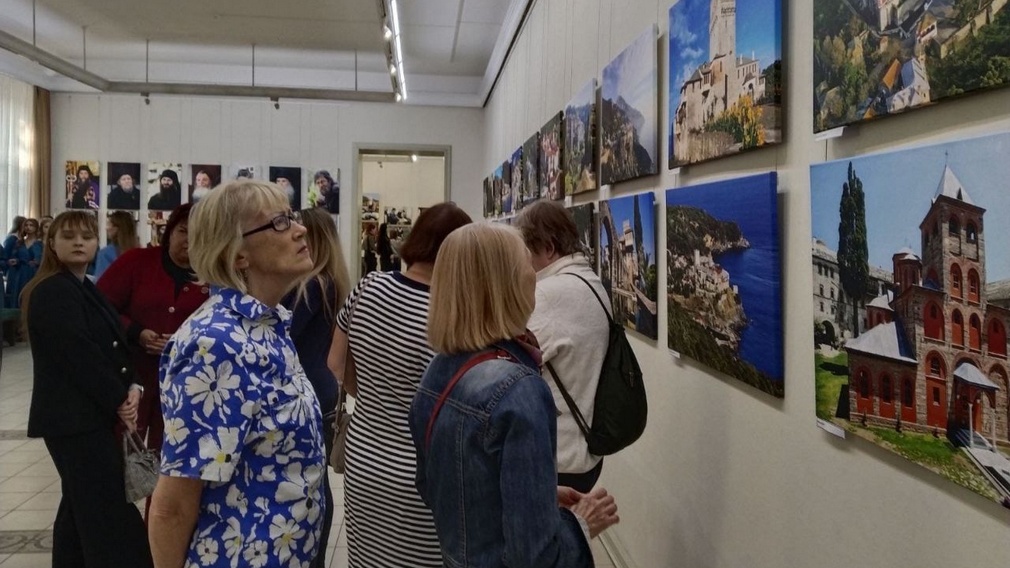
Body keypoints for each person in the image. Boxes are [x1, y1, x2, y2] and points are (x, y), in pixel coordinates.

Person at [409, 223, 620, 567]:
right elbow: (536, 559)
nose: (535, 276)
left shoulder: (440, 368)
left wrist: (535, 496)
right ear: (506, 286)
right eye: (526, 266)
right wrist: (581, 523)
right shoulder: (519, 389)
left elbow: (438, 486)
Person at [149, 180, 325, 567]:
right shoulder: (216, 345)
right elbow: (173, 505)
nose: (300, 229)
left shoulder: (265, 326)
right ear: (238, 254)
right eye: (279, 222)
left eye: (292, 217)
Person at [327, 202, 472, 568]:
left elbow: (336, 362)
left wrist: (376, 396)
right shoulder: (447, 315)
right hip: (418, 472)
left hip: (363, 456)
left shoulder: (369, 286)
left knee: (368, 559)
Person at [22, 211, 152, 568]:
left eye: (87, 236)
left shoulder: (83, 287)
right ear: (52, 243)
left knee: (78, 506)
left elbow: (114, 344)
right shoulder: (52, 290)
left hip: (86, 416)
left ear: (97, 243)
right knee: (106, 510)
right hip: (73, 420)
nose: (79, 242)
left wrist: (133, 384)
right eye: (69, 236)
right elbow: (79, 354)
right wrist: (119, 399)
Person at [97, 203, 208, 512]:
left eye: (199, 234)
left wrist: (184, 341)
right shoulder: (137, 262)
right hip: (130, 376)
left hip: (183, 385)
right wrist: (136, 332)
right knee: (119, 453)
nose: (189, 241)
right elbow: (100, 307)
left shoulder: (213, 275)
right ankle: (112, 525)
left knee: (167, 463)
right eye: (183, 231)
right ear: (169, 232)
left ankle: (155, 528)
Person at [515, 201, 609, 492]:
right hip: (584, 451)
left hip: (555, 458)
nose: (522, 264)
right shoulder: (592, 282)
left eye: (525, 253)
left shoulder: (548, 295)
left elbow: (510, 367)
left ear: (548, 248)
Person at [282, 207, 351, 568]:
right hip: (321, 390)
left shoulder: (311, 286)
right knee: (316, 482)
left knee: (312, 487)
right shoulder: (331, 282)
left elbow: (281, 336)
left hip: (307, 392)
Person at [4, 218, 43, 309]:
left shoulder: (39, 244)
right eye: (26, 225)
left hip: (34, 272)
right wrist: (15, 261)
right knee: (19, 294)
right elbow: (14, 256)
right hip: (20, 272)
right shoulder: (19, 243)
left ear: (36, 228)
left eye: (31, 225)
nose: (28, 227)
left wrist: (38, 262)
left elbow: (42, 258)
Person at [94, 211, 139, 280]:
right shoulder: (140, 253)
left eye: (109, 224)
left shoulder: (105, 254)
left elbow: (100, 281)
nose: (106, 228)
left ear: (116, 228)